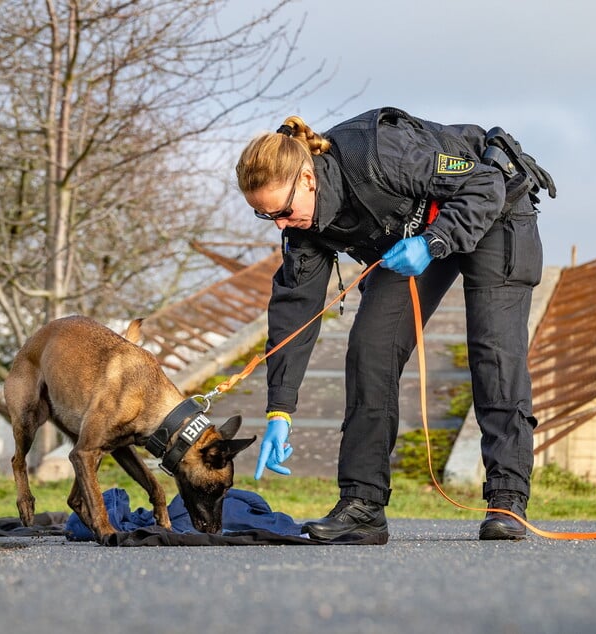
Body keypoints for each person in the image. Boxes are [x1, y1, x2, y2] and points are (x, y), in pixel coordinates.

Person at [235, 107, 555, 541]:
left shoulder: (379, 153)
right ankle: (362, 503)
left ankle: (507, 499)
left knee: (493, 353)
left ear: (307, 178)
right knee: (370, 348)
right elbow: (295, 312)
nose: (281, 224)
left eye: (284, 211)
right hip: (417, 231)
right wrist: (280, 409)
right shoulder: (303, 223)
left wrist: (435, 242)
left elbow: (484, 183)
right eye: (267, 216)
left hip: (495, 211)